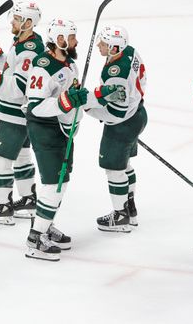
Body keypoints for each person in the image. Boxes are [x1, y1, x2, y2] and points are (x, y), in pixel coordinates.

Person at [0, 1, 45, 225]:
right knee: (21, 156)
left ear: (29, 23)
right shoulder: (26, 43)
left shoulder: (30, 51)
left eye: (17, 18)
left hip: (16, 113)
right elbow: (11, 69)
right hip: (23, 113)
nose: (12, 21)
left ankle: (4, 207)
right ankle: (29, 200)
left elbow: (18, 87)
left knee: (0, 156)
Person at [24, 18, 87, 261]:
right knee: (53, 183)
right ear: (59, 40)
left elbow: (71, 95)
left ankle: (46, 225)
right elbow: (36, 106)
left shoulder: (70, 64)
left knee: (62, 180)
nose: (75, 41)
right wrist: (68, 101)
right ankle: (35, 238)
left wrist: (85, 100)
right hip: (44, 129)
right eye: (71, 37)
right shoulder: (41, 66)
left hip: (63, 128)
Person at [83, 26, 147, 233]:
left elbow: (116, 114)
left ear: (114, 47)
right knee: (124, 164)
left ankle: (120, 216)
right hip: (137, 114)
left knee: (114, 168)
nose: (99, 45)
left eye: (103, 43)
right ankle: (129, 208)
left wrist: (87, 107)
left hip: (122, 123)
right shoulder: (129, 51)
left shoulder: (116, 74)